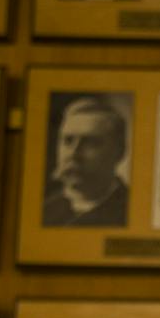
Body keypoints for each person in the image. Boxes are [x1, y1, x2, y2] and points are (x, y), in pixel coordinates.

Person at [42, 96, 129, 228]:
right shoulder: (45, 210)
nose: (73, 153)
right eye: (68, 141)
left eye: (90, 143)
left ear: (119, 152)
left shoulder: (131, 210)